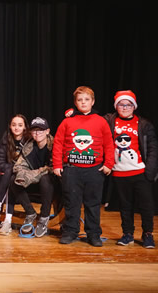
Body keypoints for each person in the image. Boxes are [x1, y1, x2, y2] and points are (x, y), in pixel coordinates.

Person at [53, 86, 114, 247]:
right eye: (80, 100)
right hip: (72, 170)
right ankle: (70, 231)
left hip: (94, 170)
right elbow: (58, 143)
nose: (83, 102)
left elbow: (109, 143)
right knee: (71, 203)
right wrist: (57, 164)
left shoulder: (101, 121)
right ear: (75, 103)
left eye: (87, 99)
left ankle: (93, 234)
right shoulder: (68, 121)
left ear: (92, 102)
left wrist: (109, 163)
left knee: (92, 203)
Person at [105, 90, 158, 248]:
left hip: (140, 173)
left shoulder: (144, 124)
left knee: (146, 206)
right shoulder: (110, 121)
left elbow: (153, 148)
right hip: (119, 173)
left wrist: (150, 171)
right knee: (125, 205)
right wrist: (73, 115)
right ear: (116, 106)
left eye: (128, 104)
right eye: (121, 104)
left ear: (134, 106)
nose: (125, 107)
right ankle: (127, 234)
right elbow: (91, 120)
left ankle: (148, 234)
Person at [7, 117, 58, 237]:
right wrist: (26, 174)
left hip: (52, 185)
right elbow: (18, 166)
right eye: (34, 131)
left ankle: (44, 219)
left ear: (47, 131)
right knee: (13, 179)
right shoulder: (28, 146)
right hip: (32, 183)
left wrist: (32, 174)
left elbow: (52, 168)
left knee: (45, 179)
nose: (37, 134)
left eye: (40, 131)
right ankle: (30, 213)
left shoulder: (55, 144)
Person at [0, 115, 31, 230]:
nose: (16, 128)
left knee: (10, 173)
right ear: (10, 126)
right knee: (9, 176)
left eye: (20, 125)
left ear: (24, 127)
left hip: (26, 175)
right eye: (14, 125)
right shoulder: (6, 139)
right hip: (9, 175)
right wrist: (7, 169)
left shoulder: (29, 140)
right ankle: (7, 220)